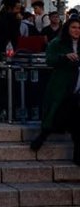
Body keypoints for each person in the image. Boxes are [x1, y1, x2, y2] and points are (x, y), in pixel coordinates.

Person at [30, 15, 80, 165]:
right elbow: (50, 59)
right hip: (61, 87)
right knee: (55, 112)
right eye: (73, 27)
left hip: (77, 88)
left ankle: (77, 157)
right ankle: (42, 137)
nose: (77, 30)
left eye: (79, 27)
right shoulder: (57, 43)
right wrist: (64, 57)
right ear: (67, 29)